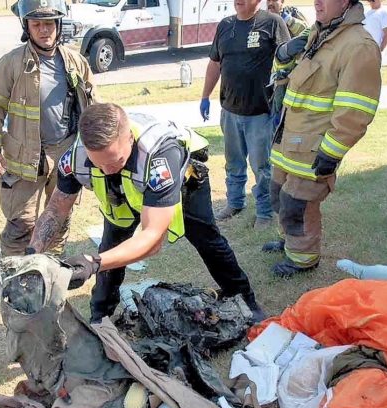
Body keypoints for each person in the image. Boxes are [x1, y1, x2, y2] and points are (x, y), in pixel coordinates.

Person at [28, 104, 266, 322]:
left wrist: (93, 263)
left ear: (129, 138)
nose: (106, 170)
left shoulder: (161, 155)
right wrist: (32, 254)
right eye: (98, 164)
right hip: (121, 197)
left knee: (207, 241)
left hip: (183, 184)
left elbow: (152, 238)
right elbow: (55, 210)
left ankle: (245, 300)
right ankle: (100, 318)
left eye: (115, 160)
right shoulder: (75, 158)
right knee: (110, 248)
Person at [264, 0, 381, 277]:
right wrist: (284, 53)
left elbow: (356, 109)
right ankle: (289, 242)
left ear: (345, 2)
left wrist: (332, 152)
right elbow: (290, 70)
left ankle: (303, 259)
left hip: (313, 149)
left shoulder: (359, 46)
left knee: (298, 204)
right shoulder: (319, 33)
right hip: (289, 140)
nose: (317, 1)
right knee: (279, 195)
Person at [0, 0, 94, 257]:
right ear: (27, 27)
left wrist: (91, 149)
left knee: (59, 220)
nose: (44, 30)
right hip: (24, 156)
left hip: (65, 152)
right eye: (37, 24)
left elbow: (92, 106)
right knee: (21, 224)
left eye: (49, 24)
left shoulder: (76, 62)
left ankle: (49, 273)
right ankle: (12, 276)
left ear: (58, 25)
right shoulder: (11, 63)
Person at [200, 0, 289, 229]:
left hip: (260, 113)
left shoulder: (272, 23)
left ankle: (265, 212)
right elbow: (214, 63)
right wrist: (204, 96)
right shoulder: (225, 25)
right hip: (230, 111)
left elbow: (289, 62)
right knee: (233, 163)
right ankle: (235, 203)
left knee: (262, 167)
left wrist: (283, 101)